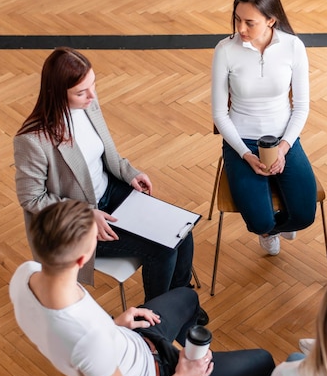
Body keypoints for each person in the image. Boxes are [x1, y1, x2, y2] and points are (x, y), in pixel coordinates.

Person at [9, 200, 275, 376]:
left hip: (127, 340)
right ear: (82, 260)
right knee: (263, 363)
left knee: (187, 297)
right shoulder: (88, 338)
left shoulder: (26, 273)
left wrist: (115, 325)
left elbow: (76, 334)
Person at [14, 47, 208, 325]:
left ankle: (180, 301)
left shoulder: (88, 103)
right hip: (77, 221)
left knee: (181, 231)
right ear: (57, 93)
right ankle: (157, 319)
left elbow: (106, 152)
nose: (92, 96)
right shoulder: (32, 140)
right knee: (163, 249)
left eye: (92, 85)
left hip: (113, 193)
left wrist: (129, 173)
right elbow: (31, 199)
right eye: (81, 92)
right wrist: (84, 214)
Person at [211, 0, 317, 256]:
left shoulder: (293, 47)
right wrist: (246, 155)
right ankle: (269, 230)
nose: (240, 29)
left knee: (305, 216)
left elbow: (301, 107)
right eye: (237, 19)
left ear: (271, 20)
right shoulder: (225, 50)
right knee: (259, 221)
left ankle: (277, 225)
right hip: (241, 141)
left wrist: (283, 148)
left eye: (250, 22)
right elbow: (220, 114)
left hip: (282, 139)